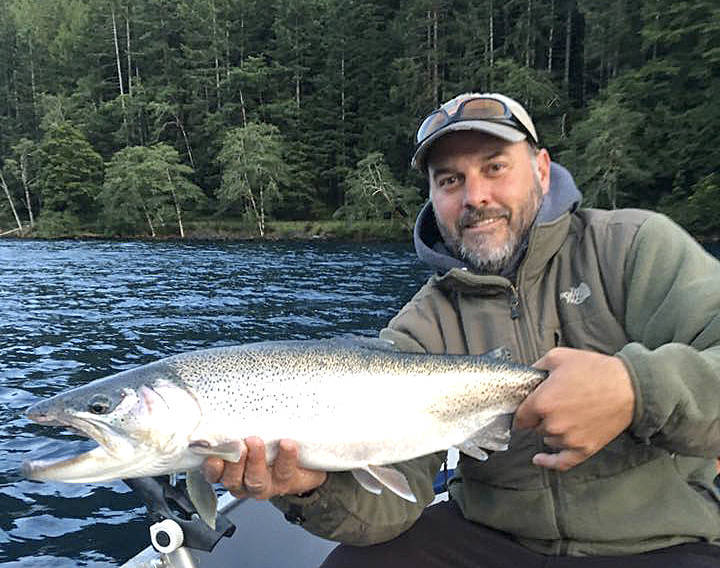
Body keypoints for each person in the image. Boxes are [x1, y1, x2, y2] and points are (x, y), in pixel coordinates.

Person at [203, 93, 720, 566]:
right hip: (492, 540)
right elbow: (393, 505)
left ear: (541, 169)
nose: (475, 195)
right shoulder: (422, 323)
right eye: (450, 179)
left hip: (664, 540)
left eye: (495, 168)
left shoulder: (633, 248)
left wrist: (635, 390)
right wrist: (308, 487)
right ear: (433, 195)